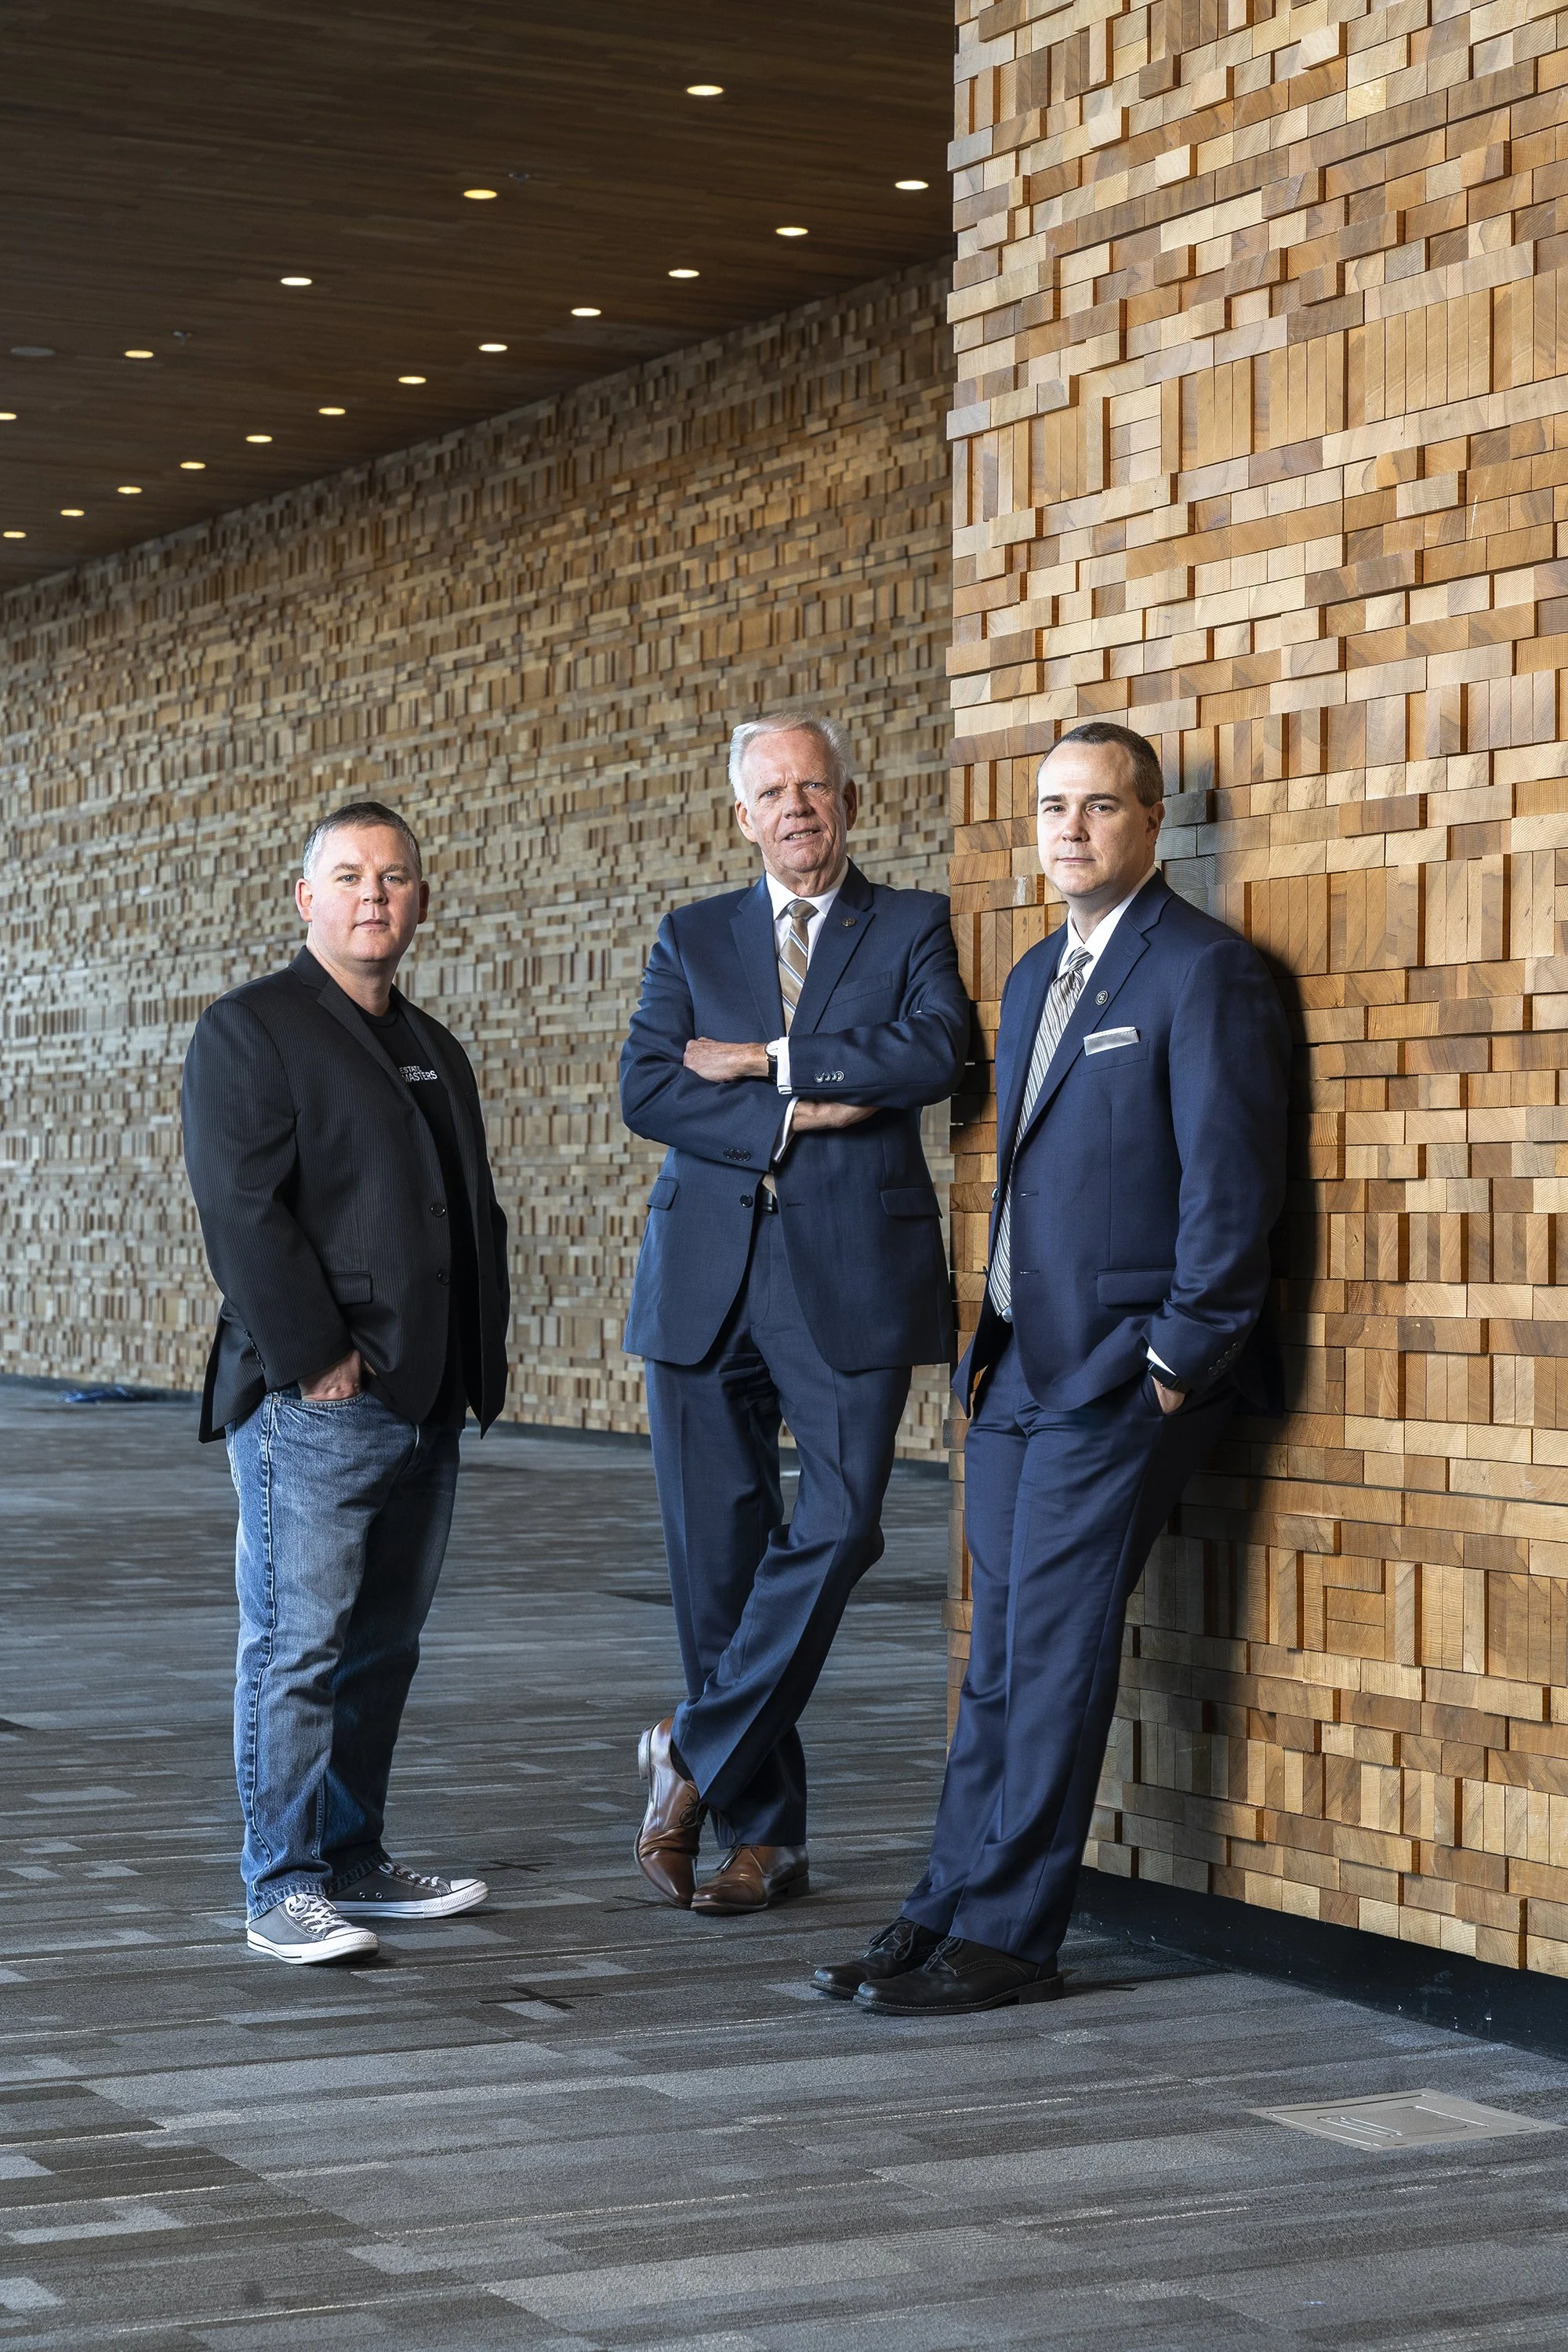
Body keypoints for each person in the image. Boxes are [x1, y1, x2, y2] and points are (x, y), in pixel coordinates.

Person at [813, 720, 1290, 2013]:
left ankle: (1012, 1934)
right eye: (1051, 809)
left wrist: (1182, 1357)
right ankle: (940, 1906)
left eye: (1097, 807)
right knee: (1001, 1659)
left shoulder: (1205, 974)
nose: (1069, 830)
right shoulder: (1030, 977)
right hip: (1018, 1366)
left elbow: (1232, 1187)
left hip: (1124, 1373)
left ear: (1149, 824)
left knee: (1059, 1655)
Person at [620, 709, 971, 1914]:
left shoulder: (915, 923)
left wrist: (769, 1063)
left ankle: (695, 1750)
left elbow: (932, 1054)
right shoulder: (691, 933)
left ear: (849, 802)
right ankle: (766, 1838)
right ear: (742, 817)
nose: (795, 810)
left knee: (844, 1524)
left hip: (851, 1276)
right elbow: (650, 1087)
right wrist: (802, 1110)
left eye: (813, 789)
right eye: (771, 794)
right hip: (703, 1283)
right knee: (714, 1568)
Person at [181, 801, 510, 1965]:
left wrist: (478, 1368)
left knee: (381, 1648)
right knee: (296, 1649)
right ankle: (280, 1888)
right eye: (350, 875)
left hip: (425, 1401)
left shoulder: (433, 1044)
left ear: (422, 901)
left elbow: (464, 1215)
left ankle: (354, 1861)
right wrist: (317, 1357)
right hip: (315, 1404)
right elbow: (242, 1214)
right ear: (306, 898)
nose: (375, 893)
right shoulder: (251, 1030)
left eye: (396, 877)